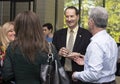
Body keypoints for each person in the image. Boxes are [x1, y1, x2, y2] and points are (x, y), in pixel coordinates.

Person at [2, 11, 58, 84]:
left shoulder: (12, 47)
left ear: (18, 27)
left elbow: (7, 75)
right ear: (37, 26)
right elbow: (57, 72)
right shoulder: (49, 47)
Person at [70, 6, 118, 84]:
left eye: (88, 20)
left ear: (91, 22)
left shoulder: (96, 44)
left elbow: (93, 75)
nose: (88, 22)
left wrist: (75, 75)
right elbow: (106, 62)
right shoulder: (111, 40)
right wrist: (87, 60)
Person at [52, 6, 92, 84]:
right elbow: (51, 55)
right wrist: (59, 54)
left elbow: (91, 56)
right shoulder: (58, 34)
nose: (69, 19)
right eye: (67, 16)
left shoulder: (87, 35)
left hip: (79, 76)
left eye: (72, 16)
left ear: (77, 17)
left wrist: (79, 55)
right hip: (61, 75)